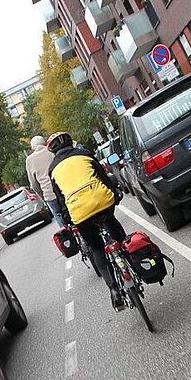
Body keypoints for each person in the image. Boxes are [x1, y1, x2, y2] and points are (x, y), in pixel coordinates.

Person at [46, 131, 127, 311]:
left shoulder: (52, 169)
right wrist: (115, 193)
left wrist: (67, 219)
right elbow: (103, 177)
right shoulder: (84, 154)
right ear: (70, 143)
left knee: (97, 248)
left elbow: (60, 198)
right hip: (101, 200)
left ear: (53, 151)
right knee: (113, 225)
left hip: (79, 212)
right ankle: (130, 262)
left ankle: (114, 290)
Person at [25, 135, 65, 227]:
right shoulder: (52, 150)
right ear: (44, 142)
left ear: (33, 147)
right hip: (63, 188)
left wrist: (44, 197)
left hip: (49, 194)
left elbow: (34, 184)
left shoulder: (29, 160)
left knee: (58, 214)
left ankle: (66, 234)